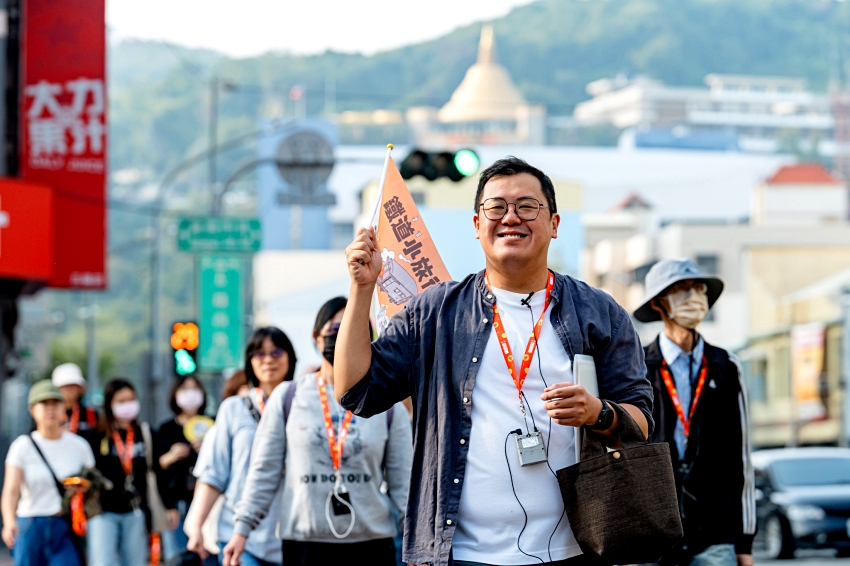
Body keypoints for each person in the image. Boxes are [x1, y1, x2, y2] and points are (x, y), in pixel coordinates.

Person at [335, 156, 654, 566]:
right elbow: (355, 390)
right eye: (496, 208)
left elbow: (641, 422)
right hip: (459, 553)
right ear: (476, 225)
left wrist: (598, 412)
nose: (510, 218)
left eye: (526, 206)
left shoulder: (598, 312)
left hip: (575, 549)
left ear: (554, 224)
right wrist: (361, 288)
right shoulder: (435, 313)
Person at [224, 297, 413, 566]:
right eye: (334, 330)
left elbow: (404, 483)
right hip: (304, 545)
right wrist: (241, 530)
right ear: (316, 337)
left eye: (355, 330)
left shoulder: (386, 403)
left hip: (371, 546)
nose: (344, 338)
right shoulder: (289, 397)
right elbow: (263, 470)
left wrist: (419, 543)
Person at [633, 259, 755, 566]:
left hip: (714, 534)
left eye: (699, 289)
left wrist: (744, 543)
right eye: (681, 290)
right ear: (659, 303)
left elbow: (740, 458)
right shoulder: (636, 367)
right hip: (650, 533)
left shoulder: (725, 366)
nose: (694, 298)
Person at [185, 327, 297, 566]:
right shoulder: (234, 408)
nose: (268, 360)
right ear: (249, 362)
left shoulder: (305, 405)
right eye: (259, 354)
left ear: (290, 357)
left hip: (293, 536)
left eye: (276, 352)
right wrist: (196, 526)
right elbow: (215, 473)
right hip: (240, 537)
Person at [1, 380, 95, 566]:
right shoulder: (22, 446)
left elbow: (94, 483)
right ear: (32, 410)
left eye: (55, 403)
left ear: (63, 408)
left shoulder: (79, 446)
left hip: (65, 524)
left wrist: (82, 488)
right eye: (44, 403)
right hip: (30, 524)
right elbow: (11, 491)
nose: (50, 409)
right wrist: (9, 522)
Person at [88, 378, 157, 566]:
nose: (128, 405)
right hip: (103, 511)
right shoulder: (97, 436)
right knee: (103, 561)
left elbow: (156, 467)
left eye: (131, 399)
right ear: (109, 405)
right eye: (121, 401)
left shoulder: (145, 433)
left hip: (135, 510)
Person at [156, 375, 209, 560]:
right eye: (184, 389)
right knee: (178, 557)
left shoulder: (212, 425)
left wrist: (208, 449)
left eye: (195, 389)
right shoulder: (166, 429)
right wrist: (171, 456)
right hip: (177, 503)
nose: (190, 394)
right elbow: (157, 469)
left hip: (207, 501)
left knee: (207, 554)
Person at [52, 363, 98, 441]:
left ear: (80, 388)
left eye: (74, 385)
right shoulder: (50, 414)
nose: (70, 389)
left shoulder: (90, 414)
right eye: (66, 386)